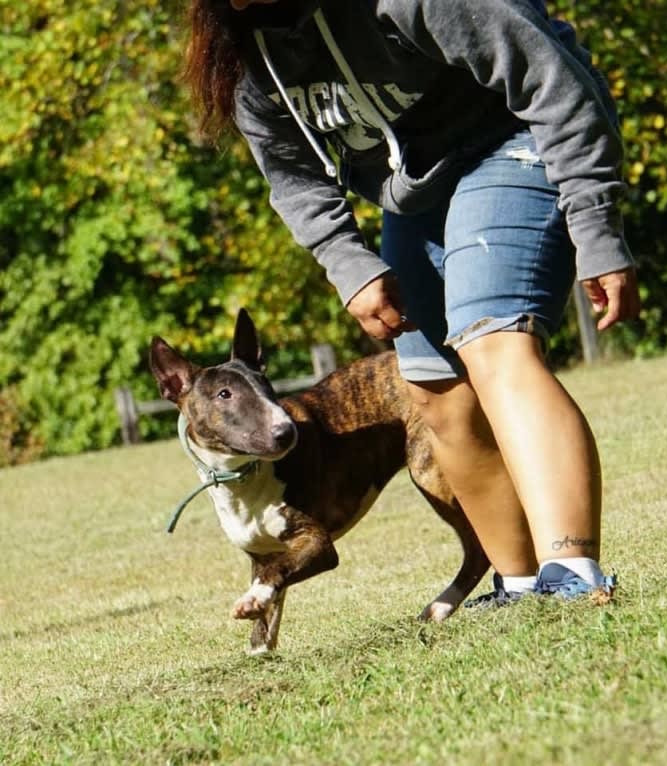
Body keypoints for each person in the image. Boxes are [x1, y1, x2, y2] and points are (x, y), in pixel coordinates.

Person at [183, 0, 640, 605]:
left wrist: (595, 223)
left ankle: (574, 572)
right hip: (417, 190)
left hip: (512, 136)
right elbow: (293, 178)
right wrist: (350, 266)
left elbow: (549, 78)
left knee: (493, 341)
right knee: (431, 387)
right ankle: (521, 583)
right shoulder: (248, 57)